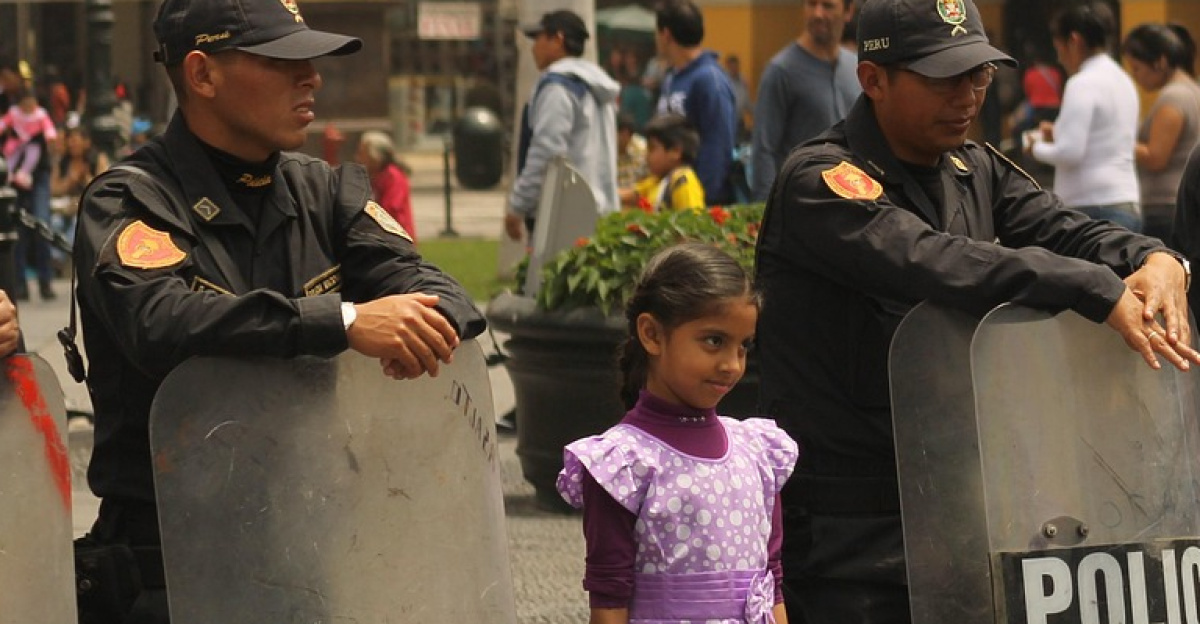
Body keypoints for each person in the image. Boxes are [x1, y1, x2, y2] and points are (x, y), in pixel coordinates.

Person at [754, 0, 1198, 621]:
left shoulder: (973, 167)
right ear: (873, 78)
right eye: (944, 78)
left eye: (980, 75)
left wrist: (1156, 259)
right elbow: (932, 260)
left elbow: (1066, 228)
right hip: (847, 519)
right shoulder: (822, 180)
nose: (968, 95)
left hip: (963, 497)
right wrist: (1093, 288)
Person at [71, 0, 486, 621]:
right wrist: (344, 322)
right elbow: (160, 323)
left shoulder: (325, 190)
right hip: (170, 564)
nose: (312, 77)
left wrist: (423, 326)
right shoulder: (131, 200)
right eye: (280, 60)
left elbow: (441, 291)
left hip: (312, 550)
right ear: (202, 75)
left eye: (310, 59)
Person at [556, 242, 798, 624]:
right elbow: (608, 595)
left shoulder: (758, 452)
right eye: (714, 341)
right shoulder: (622, 465)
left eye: (744, 346)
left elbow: (772, 577)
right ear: (652, 334)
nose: (732, 365)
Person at [505, 10, 620, 242]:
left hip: (562, 214)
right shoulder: (597, 87)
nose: (533, 46)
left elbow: (546, 152)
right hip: (600, 212)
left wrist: (517, 205)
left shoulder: (557, 88)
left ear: (558, 39)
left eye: (538, 38)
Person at [1028, 2, 1142, 231]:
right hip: (1125, 199)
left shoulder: (1082, 82)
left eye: (1059, 47)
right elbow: (1105, 134)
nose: (1059, 58)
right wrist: (1058, 131)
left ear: (1074, 41)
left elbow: (1070, 153)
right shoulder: (1123, 79)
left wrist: (1034, 147)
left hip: (1091, 206)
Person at [751, 0, 860, 200]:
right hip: (800, 205)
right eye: (811, 4)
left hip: (852, 206)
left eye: (827, 6)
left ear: (848, 11)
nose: (817, 13)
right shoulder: (781, 71)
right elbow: (764, 150)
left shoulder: (856, 68)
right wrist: (763, 213)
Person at [653, 0, 737, 205]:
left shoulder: (710, 80)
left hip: (698, 204)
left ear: (665, 34)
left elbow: (718, 146)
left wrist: (704, 207)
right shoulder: (671, 78)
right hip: (670, 198)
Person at [1123, 23, 1200, 242]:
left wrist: (1119, 139)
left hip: (1166, 205)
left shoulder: (1173, 97)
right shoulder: (1193, 90)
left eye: (1137, 68)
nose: (1136, 76)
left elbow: (1156, 157)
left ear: (1161, 62)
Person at [1, 87, 59, 300]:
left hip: (38, 175)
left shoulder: (41, 116)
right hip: (15, 177)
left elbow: (51, 135)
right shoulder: (13, 116)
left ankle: (45, 280)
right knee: (17, 231)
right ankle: (20, 283)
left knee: (41, 223)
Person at [622, 113, 706, 212]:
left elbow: (692, 222)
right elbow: (632, 195)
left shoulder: (683, 182)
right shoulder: (657, 180)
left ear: (675, 151)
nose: (646, 156)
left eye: (652, 149)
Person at [355, 130, 416, 244]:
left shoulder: (393, 176)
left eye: (362, 154)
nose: (358, 159)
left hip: (397, 239)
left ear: (375, 156)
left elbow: (390, 208)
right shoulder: (373, 177)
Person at [616, 112, 648, 190]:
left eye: (628, 134)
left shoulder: (642, 150)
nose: (624, 138)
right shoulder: (604, 151)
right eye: (621, 133)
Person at [724, 54, 752, 141]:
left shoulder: (743, 81)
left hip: (740, 122)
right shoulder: (724, 81)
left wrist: (756, 114)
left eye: (736, 66)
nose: (734, 69)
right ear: (728, 66)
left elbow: (746, 101)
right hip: (727, 122)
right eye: (732, 66)